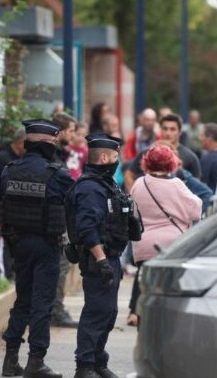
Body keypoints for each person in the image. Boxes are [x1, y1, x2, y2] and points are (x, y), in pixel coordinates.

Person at [0, 119, 74, 378]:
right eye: (54, 142)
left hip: (18, 245)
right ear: (45, 143)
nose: (56, 146)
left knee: (23, 300)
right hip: (46, 245)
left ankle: (10, 361)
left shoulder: (9, 170)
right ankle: (35, 361)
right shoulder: (58, 174)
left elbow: (5, 208)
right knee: (42, 303)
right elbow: (72, 205)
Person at [66, 133, 140, 378]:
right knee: (96, 312)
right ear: (106, 157)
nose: (118, 161)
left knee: (108, 313)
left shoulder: (107, 185)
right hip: (99, 259)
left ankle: (98, 361)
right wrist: (100, 260)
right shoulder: (89, 188)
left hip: (111, 257)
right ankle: (84, 366)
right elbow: (87, 229)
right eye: (116, 156)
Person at [127, 145, 201, 327]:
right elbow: (196, 210)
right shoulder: (176, 184)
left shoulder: (139, 184)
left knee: (146, 291)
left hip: (144, 247)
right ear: (171, 163)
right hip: (172, 248)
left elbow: (134, 213)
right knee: (168, 293)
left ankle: (144, 327)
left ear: (147, 163)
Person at [51, 112, 81, 329]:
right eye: (70, 130)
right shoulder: (55, 158)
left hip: (59, 217)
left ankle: (54, 308)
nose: (73, 135)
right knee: (60, 266)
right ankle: (55, 310)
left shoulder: (60, 155)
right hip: (58, 219)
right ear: (60, 132)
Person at [124, 114, 200, 191]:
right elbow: (129, 175)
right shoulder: (147, 152)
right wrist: (134, 195)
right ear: (160, 130)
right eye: (165, 129)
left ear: (180, 132)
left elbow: (197, 185)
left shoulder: (190, 157)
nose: (168, 133)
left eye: (172, 129)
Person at [0, 127, 26, 280]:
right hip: (5, 207)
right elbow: (1, 188)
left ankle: (13, 271)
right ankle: (6, 274)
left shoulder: (19, 159)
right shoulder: (4, 159)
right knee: (6, 241)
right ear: (19, 143)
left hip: (18, 208)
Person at [199, 123, 217, 193]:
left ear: (209, 139)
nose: (199, 138)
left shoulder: (206, 160)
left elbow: (202, 187)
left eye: (202, 136)